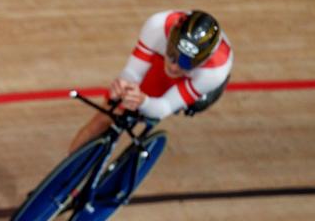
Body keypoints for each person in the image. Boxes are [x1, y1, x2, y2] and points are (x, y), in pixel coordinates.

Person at [68, 10, 233, 153]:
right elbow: (133, 72)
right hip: (159, 58)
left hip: (195, 79)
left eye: (186, 63)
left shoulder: (214, 72)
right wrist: (123, 85)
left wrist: (144, 102)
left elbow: (165, 106)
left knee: (190, 104)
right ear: (169, 38)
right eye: (173, 54)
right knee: (105, 116)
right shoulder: (158, 26)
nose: (175, 67)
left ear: (203, 61)